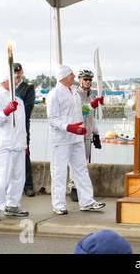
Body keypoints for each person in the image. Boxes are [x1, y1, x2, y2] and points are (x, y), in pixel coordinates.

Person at [46, 64, 105, 215]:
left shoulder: (75, 93)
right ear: (64, 77)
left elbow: (81, 110)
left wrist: (92, 104)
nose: (74, 76)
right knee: (59, 172)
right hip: (62, 140)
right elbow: (52, 120)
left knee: (82, 170)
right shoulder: (54, 94)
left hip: (77, 139)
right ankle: (58, 205)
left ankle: (87, 201)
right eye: (71, 74)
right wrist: (69, 127)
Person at [0, 74, 29, 221]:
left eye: (16, 80)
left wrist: (24, 144)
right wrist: (6, 111)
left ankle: (12, 205)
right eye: (13, 80)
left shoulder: (18, 100)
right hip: (3, 145)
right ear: (4, 81)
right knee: (1, 178)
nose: (16, 82)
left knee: (18, 178)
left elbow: (22, 125)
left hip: (18, 145)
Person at [69, 69, 102, 202]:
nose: (88, 82)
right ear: (80, 80)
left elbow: (92, 117)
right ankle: (73, 187)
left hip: (88, 134)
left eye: (90, 80)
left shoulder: (91, 96)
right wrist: (91, 105)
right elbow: (80, 111)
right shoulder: (75, 95)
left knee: (84, 163)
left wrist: (96, 134)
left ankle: (81, 187)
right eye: (85, 79)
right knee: (75, 162)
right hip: (77, 134)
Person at [14, 63, 36, 197]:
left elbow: (28, 107)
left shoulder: (28, 87)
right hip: (9, 127)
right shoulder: (8, 87)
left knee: (25, 153)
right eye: (14, 73)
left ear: (22, 73)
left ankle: (28, 186)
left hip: (22, 126)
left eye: (18, 72)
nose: (17, 75)